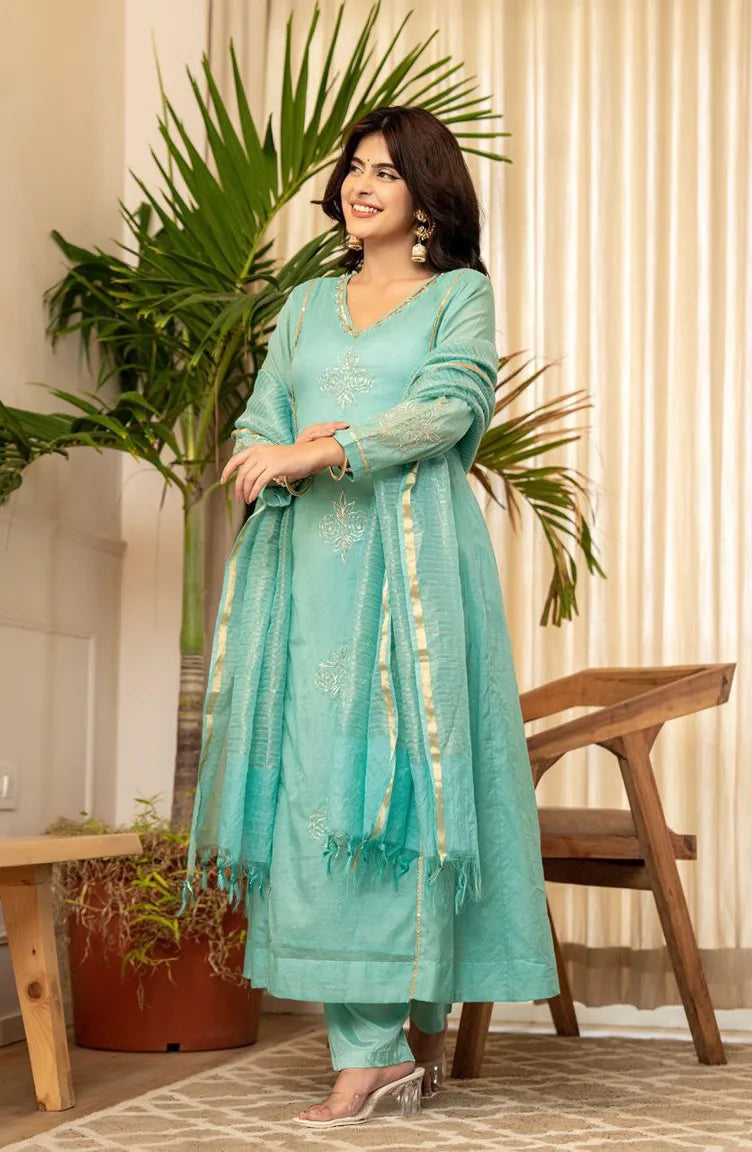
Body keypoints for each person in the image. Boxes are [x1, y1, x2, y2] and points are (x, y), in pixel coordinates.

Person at [185, 105, 559, 1129]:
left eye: (387, 171)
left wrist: (323, 449)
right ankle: (371, 1047)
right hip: (308, 575)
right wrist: (268, 455)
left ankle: (394, 1042)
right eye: (355, 166)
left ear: (427, 194)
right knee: (320, 789)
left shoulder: (458, 296)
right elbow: (260, 417)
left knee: (405, 785)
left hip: (414, 574)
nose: (362, 183)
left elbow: (449, 409)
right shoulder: (306, 303)